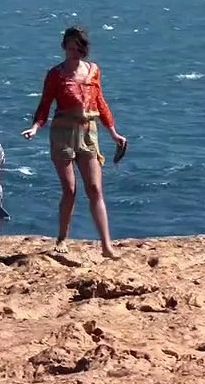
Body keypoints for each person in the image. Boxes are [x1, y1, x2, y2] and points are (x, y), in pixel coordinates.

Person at [22, 26, 128, 259]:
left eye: (78, 49)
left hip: (89, 131)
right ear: (64, 47)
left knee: (95, 188)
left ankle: (106, 245)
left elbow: (100, 103)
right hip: (63, 131)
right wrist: (36, 127)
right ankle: (62, 237)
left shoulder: (93, 70)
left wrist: (113, 133)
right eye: (70, 48)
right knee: (70, 189)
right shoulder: (56, 74)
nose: (74, 53)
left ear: (84, 49)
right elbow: (45, 103)